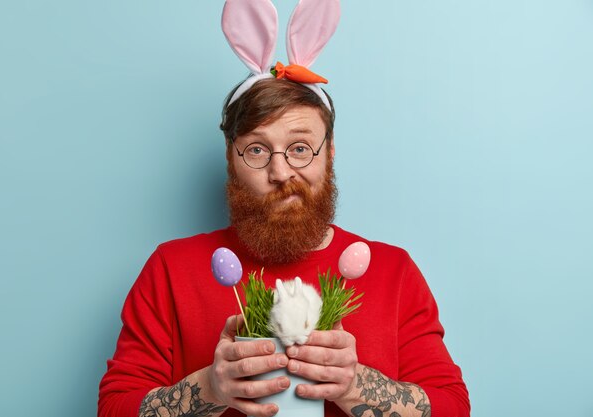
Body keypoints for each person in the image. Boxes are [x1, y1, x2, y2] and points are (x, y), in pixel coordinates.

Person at [99, 2, 469, 417]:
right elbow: (113, 407)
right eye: (257, 149)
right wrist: (210, 387)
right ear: (230, 158)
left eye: (299, 148)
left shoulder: (393, 271)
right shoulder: (171, 268)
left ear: (329, 154)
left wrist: (354, 384)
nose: (280, 171)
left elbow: (453, 407)